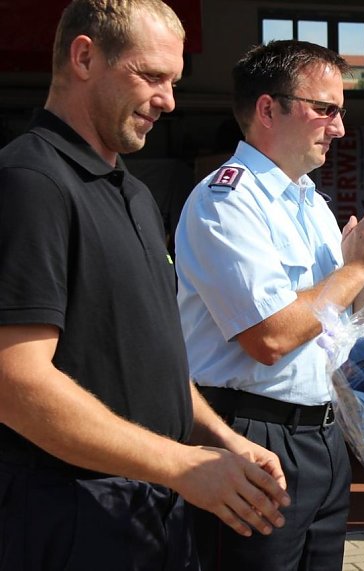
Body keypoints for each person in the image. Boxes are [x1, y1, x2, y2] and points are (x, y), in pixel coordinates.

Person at [0, 1, 291, 569]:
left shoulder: (131, 192)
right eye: (152, 76)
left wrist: (218, 439)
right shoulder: (31, 182)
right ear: (85, 58)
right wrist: (180, 464)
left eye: (173, 81)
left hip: (152, 512)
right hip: (69, 518)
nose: (169, 101)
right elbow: (15, 383)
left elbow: (152, 362)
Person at [174, 39, 364, 571]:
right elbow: (271, 337)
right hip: (251, 435)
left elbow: (358, 327)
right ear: (268, 109)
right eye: (325, 109)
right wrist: (354, 269)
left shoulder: (310, 202)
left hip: (323, 437)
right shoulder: (227, 201)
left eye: (340, 112)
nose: (339, 128)